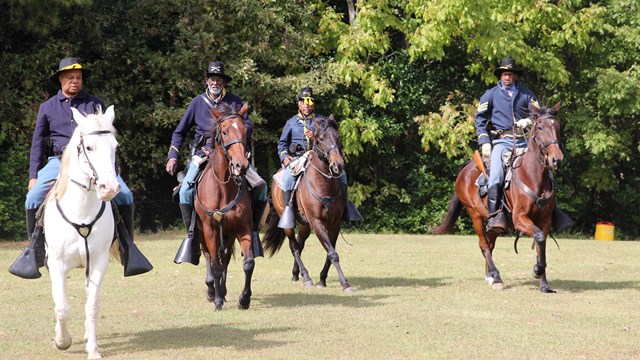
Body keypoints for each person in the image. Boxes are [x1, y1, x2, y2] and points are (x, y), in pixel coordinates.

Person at [9, 57, 152, 279]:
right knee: (33, 198)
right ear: (60, 80)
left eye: (78, 78)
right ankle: (35, 254)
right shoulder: (47, 108)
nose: (74, 81)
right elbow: (38, 144)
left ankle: (128, 250)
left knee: (124, 195)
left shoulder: (96, 104)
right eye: (69, 78)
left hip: (95, 162)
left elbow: (106, 142)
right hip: (58, 161)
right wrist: (33, 176)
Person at [166, 61, 266, 265]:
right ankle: (192, 236)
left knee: (261, 186)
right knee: (185, 191)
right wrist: (173, 156)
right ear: (206, 81)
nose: (215, 83)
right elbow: (180, 132)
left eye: (219, 80)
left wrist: (238, 135)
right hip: (202, 154)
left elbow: (247, 127)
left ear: (223, 83)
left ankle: (253, 232)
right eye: (212, 79)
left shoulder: (235, 102)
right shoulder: (197, 103)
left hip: (232, 154)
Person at [475, 57, 574, 234]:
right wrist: (484, 142)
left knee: (547, 173)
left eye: (510, 74)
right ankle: (494, 215)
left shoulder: (527, 94)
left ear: (515, 77)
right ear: (500, 76)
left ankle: (555, 213)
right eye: (505, 74)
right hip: (502, 141)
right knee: (496, 174)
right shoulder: (489, 95)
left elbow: (539, 115)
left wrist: (528, 120)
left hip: (524, 142)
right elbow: (480, 119)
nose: (507, 77)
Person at [276, 86, 362, 229]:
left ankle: (346, 207)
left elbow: (330, 137)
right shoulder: (291, 122)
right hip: (298, 157)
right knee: (287, 178)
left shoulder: (322, 120)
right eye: (303, 102)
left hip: (320, 156)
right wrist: (285, 157)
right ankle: (288, 210)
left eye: (309, 103)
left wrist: (315, 134)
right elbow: (282, 144)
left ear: (313, 104)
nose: (306, 106)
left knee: (342, 175)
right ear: (299, 104)